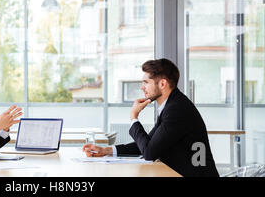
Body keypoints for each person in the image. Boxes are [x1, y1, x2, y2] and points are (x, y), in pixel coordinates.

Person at [82, 58, 219, 177]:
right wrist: (106, 151)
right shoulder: (171, 105)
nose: (142, 87)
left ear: (162, 84)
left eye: (146, 82)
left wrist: (134, 117)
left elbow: (149, 152)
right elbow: (148, 144)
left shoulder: (177, 109)